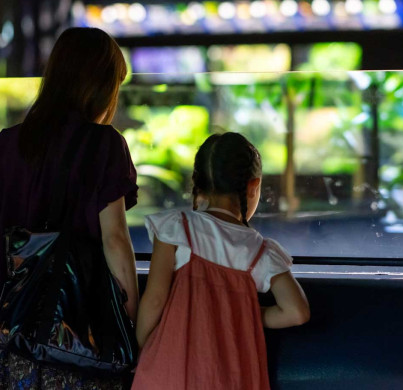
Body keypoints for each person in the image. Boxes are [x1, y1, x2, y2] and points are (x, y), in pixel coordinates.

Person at [0, 27, 138, 389]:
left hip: (8, 335)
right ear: (101, 87)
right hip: (78, 337)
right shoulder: (105, 145)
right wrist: (129, 323)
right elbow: (116, 242)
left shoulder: (6, 143)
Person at [132, 132, 310, 390]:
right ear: (253, 186)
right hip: (232, 377)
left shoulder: (177, 228)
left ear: (198, 185)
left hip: (170, 371)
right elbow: (297, 312)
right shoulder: (260, 251)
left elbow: (156, 298)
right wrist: (241, 311)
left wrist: (141, 346)